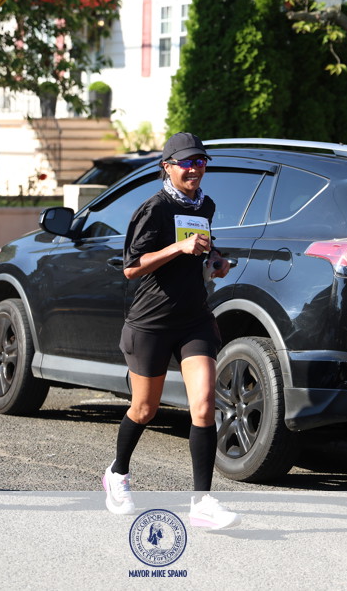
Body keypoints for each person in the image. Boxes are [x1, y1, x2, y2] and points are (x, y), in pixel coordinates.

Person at [101, 132, 239, 530]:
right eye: (187, 163)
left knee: (204, 406)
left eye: (200, 162)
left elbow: (203, 245)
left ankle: (202, 502)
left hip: (194, 319)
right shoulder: (154, 209)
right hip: (152, 323)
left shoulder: (204, 205)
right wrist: (178, 248)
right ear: (168, 166)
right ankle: (117, 474)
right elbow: (131, 267)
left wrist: (216, 259)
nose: (195, 169)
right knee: (145, 409)